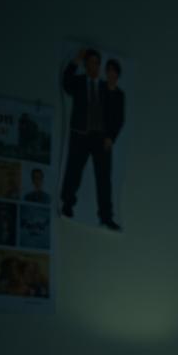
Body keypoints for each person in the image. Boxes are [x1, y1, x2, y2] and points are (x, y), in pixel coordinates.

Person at [59, 47, 123, 230]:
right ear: (86, 64)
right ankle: (67, 205)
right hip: (81, 134)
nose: (93, 66)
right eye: (90, 62)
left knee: (104, 178)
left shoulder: (105, 87)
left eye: (96, 62)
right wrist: (75, 61)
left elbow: (115, 114)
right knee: (74, 171)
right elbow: (66, 84)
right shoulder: (79, 82)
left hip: (100, 138)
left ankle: (106, 216)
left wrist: (111, 136)